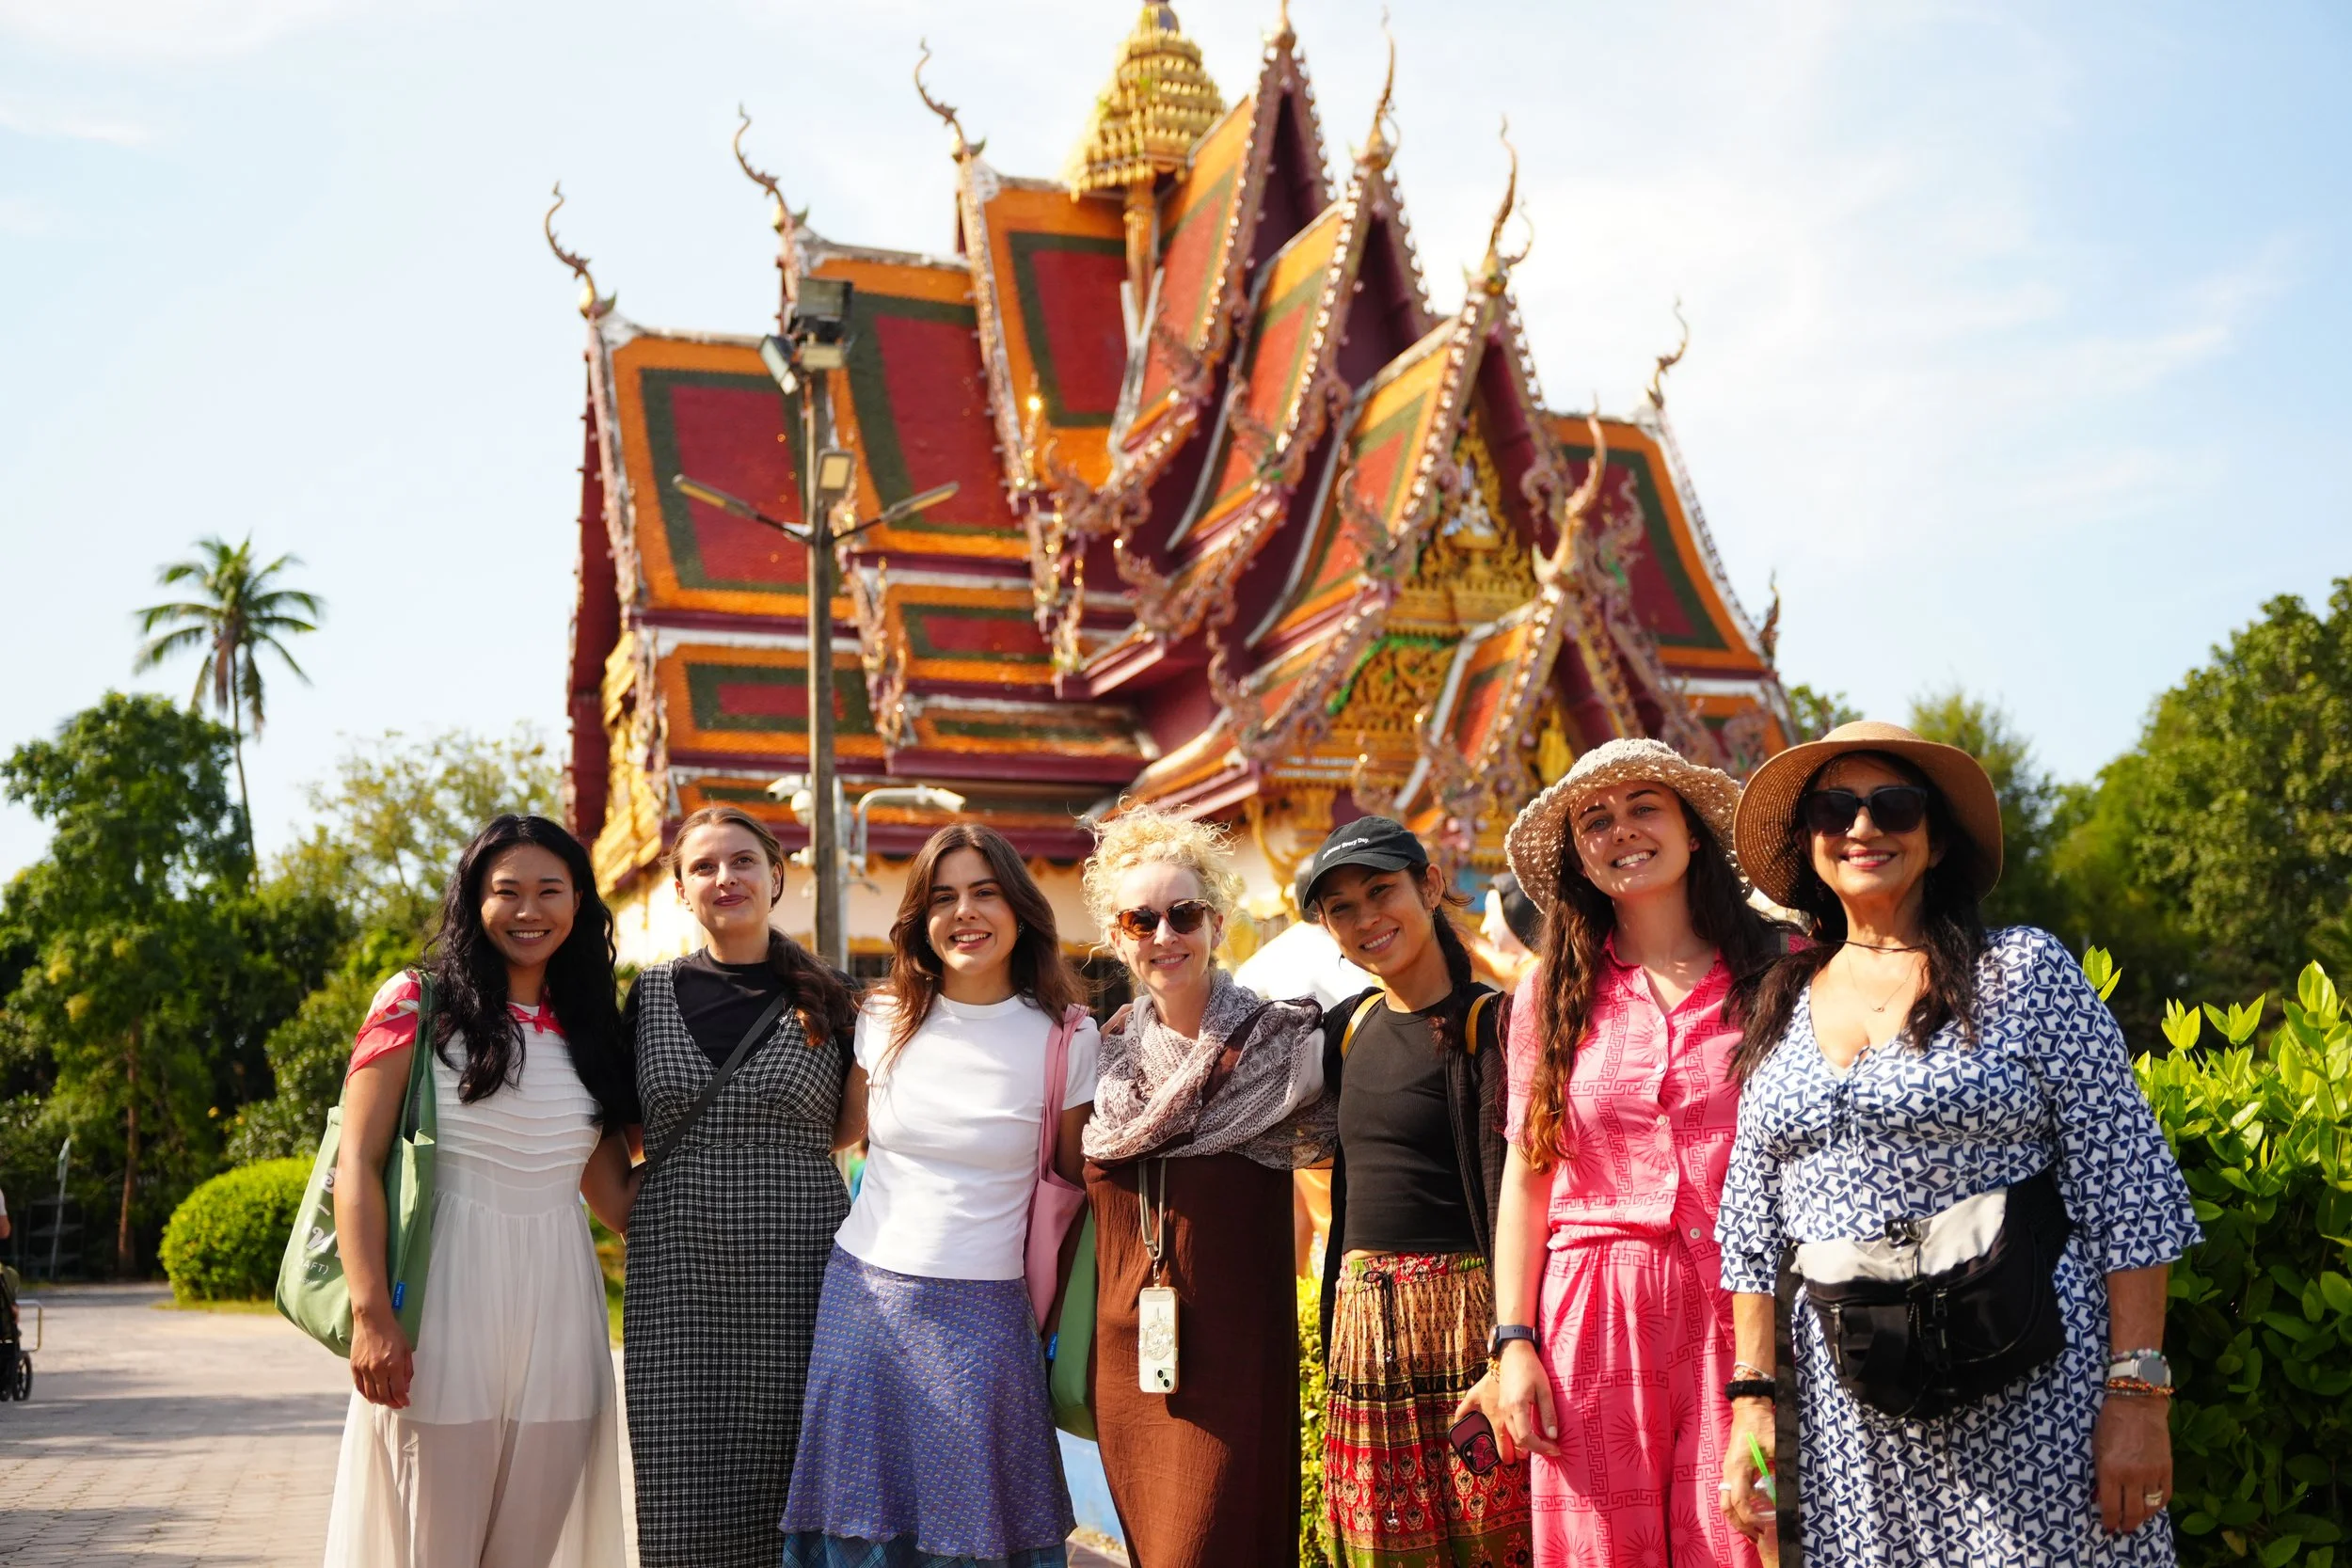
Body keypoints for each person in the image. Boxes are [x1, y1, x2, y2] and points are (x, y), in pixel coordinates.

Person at [1715, 721, 2201, 1565]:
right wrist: (1752, 1404)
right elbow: (1752, 1231)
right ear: (1809, 843)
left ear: (1936, 840)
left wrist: (2137, 1394)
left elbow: (2127, 1190)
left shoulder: (2023, 973)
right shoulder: (1778, 1003)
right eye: (1835, 809)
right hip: (1851, 1422)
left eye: (1894, 805)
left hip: (2031, 1394)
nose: (1862, 827)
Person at [1453, 737, 1791, 1567]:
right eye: (1596, 820)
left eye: (1645, 807)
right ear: (1577, 855)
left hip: (1742, 1303)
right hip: (1593, 1309)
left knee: (1746, 1538)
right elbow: (1527, 1180)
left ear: (1693, 831)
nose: (1623, 830)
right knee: (1602, 1550)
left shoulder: (1778, 973)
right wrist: (1514, 1340)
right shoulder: (1549, 992)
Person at [324, 815, 638, 1567]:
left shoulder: (590, 1028)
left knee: (527, 1552)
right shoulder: (416, 1001)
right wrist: (372, 1316)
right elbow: (357, 1160)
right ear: (474, 899)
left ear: (580, 901)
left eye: (550, 890)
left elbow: (616, 1198)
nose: (529, 910)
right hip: (441, 1320)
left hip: (562, 1326)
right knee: (434, 1549)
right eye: (507, 891)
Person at [781, 823, 1096, 1568]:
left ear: (1019, 909)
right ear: (921, 918)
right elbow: (841, 1131)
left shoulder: (1066, 1039)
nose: (965, 913)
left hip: (988, 1315)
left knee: (979, 1534)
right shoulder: (884, 1016)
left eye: (985, 892)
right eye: (944, 897)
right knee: (859, 1529)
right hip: (864, 1302)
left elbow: (1073, 1185)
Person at [1081, 804, 1334, 1568]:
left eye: (1184, 913)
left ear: (1217, 923)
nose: (1165, 935)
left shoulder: (1286, 1050)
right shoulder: (1100, 1062)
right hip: (1130, 1357)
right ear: (1118, 937)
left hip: (1237, 1353)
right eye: (1142, 919)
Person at [620, 805, 859, 1568]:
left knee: (804, 1488)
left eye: (743, 861)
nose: (726, 878)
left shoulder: (834, 995)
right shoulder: (649, 996)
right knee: (684, 1490)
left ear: (775, 876)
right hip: (678, 1282)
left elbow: (851, 1126)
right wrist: (635, 1212)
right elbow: (616, 1128)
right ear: (680, 890)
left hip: (803, 1275)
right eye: (704, 866)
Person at [1297, 816, 1532, 1568]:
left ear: (1430, 886)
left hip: (1466, 1327)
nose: (1366, 918)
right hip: (1364, 1330)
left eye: (1381, 891)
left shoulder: (1491, 1026)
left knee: (1495, 1544)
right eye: (1341, 907)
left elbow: (1521, 1196)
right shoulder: (1347, 1029)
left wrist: (1510, 1343)